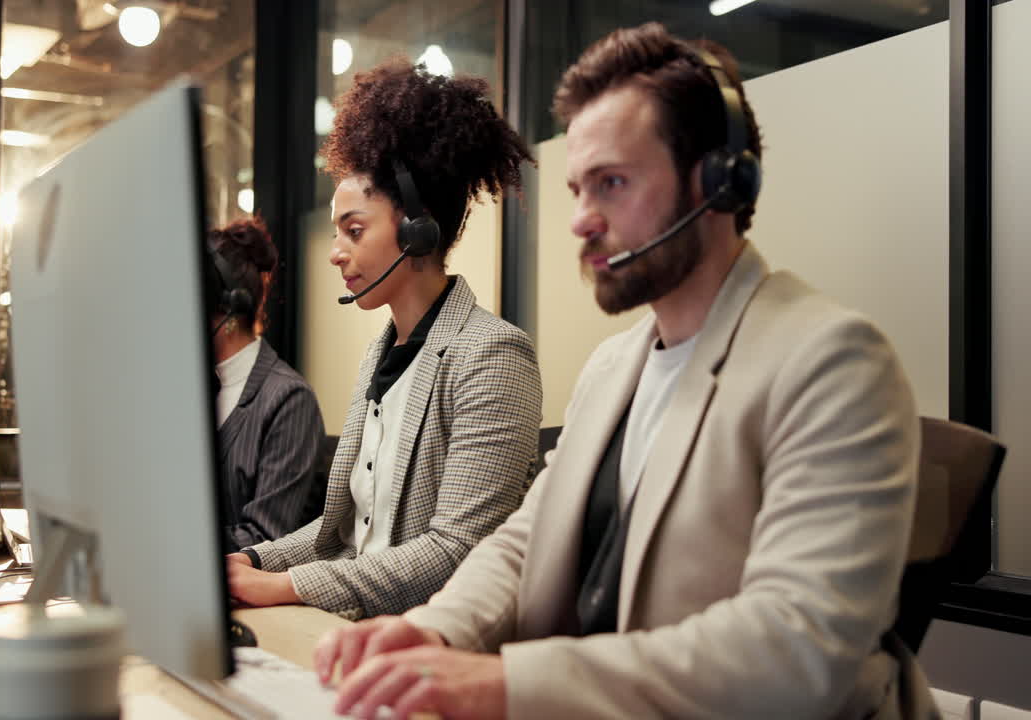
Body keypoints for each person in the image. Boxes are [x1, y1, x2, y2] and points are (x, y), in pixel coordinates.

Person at [314, 23, 936, 720]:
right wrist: (434, 629)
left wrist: (508, 684)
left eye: (611, 184)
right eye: (579, 188)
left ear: (719, 182)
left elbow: (795, 649)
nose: (581, 219)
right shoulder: (614, 368)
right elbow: (524, 544)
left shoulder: (832, 363)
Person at [225, 58, 543, 621]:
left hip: (432, 645)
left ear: (417, 229)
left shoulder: (492, 355)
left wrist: (287, 587)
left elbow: (458, 554)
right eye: (335, 232)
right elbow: (338, 534)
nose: (335, 252)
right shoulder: (383, 353)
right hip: (357, 631)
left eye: (354, 230)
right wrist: (249, 559)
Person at [205, 217, 326, 554]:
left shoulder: (288, 399)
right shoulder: (190, 391)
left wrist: (175, 542)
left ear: (229, 313)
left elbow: (265, 535)